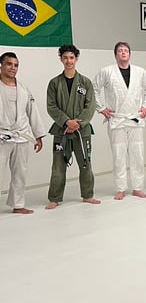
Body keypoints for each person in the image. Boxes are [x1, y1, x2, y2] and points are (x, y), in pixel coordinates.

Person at [93, 42, 146, 200]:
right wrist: (101, 108)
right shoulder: (107, 71)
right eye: (120, 51)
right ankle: (120, 188)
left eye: (126, 50)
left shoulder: (140, 72)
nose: (123, 53)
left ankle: (138, 187)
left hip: (135, 118)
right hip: (117, 119)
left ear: (129, 54)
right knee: (118, 156)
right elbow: (94, 88)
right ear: (115, 55)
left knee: (137, 154)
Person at [45, 44, 100, 209]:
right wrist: (66, 122)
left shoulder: (85, 82)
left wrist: (77, 123)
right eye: (65, 58)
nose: (68, 61)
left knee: (85, 163)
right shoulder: (54, 83)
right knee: (58, 165)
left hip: (81, 131)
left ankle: (88, 195)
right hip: (61, 130)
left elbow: (90, 106)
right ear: (61, 59)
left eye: (71, 57)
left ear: (76, 59)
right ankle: (54, 198)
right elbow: (51, 106)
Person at [0, 51, 45, 214]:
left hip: (22, 135)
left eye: (16, 65)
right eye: (9, 64)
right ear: (1, 65)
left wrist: (38, 135)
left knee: (20, 173)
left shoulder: (24, 88)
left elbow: (32, 111)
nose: (13, 68)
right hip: (2, 136)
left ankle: (18, 204)